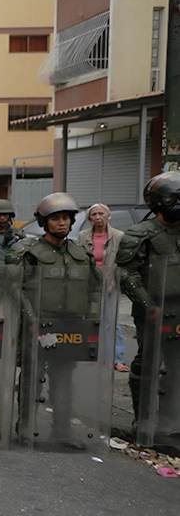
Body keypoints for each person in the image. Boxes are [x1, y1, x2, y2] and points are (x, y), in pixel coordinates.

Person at [7, 193, 100, 446]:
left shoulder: (81, 253)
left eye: (66, 218)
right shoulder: (28, 251)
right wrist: (30, 318)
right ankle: (25, 429)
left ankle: (62, 432)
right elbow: (15, 287)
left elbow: (95, 288)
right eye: (56, 218)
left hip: (71, 326)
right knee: (31, 378)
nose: (62, 223)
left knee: (63, 381)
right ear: (44, 222)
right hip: (37, 324)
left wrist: (91, 318)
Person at [116, 171, 180, 426]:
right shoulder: (140, 233)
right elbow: (125, 272)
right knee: (149, 362)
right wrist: (148, 305)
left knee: (176, 365)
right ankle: (142, 422)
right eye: (171, 197)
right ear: (157, 201)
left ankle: (170, 420)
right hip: (153, 309)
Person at [79, 203, 127, 371]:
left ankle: (116, 358)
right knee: (90, 320)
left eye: (101, 213)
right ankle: (91, 355)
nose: (98, 217)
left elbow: (122, 262)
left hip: (110, 284)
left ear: (108, 215)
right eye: (94, 214)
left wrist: (114, 280)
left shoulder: (118, 236)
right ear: (89, 218)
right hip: (89, 285)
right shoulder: (82, 236)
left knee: (112, 322)